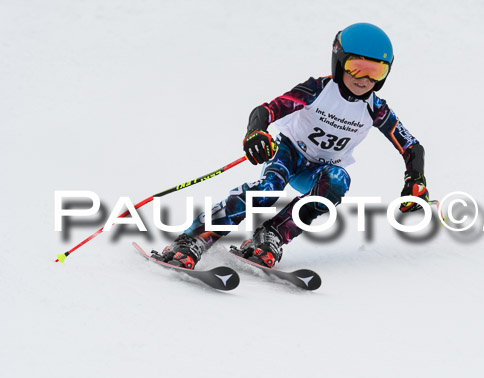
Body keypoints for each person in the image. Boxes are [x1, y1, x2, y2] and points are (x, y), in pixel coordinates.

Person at [154, 23, 429, 270]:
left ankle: (271, 237)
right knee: (267, 191)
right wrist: (256, 132)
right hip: (290, 152)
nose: (365, 79)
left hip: (322, 170)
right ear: (339, 61)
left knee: (337, 181)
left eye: (376, 71)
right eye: (356, 67)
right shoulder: (318, 89)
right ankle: (194, 239)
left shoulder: (376, 109)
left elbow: (412, 147)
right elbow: (266, 110)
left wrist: (415, 179)